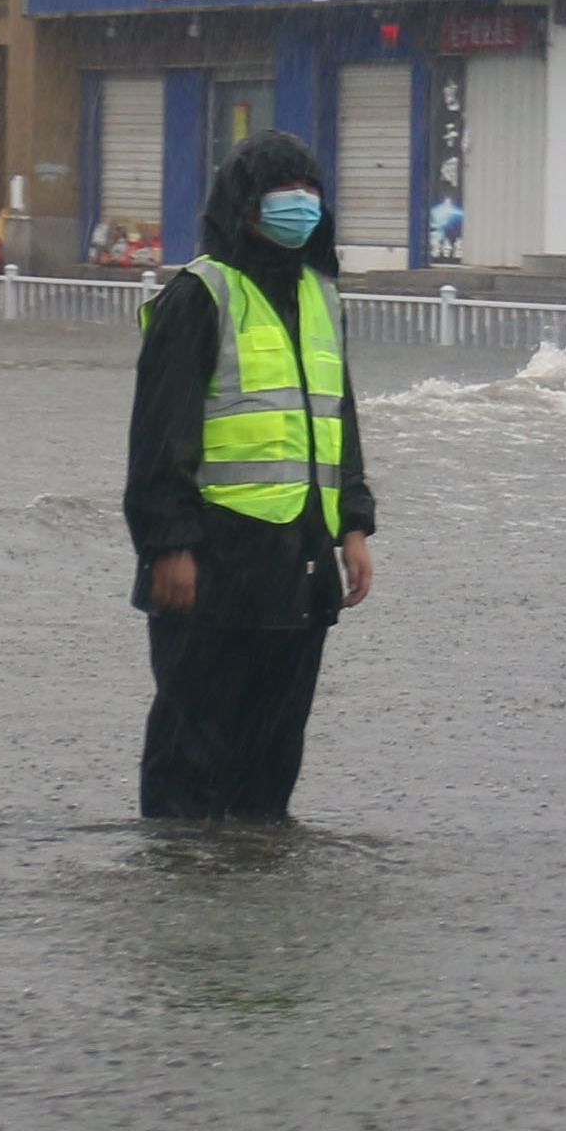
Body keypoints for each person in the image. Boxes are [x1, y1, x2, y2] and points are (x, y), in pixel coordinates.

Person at [124, 129, 377, 820]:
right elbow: (159, 435)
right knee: (192, 752)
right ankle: (182, 897)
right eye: (282, 191)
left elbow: (338, 421)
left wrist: (354, 525)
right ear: (243, 205)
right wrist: (169, 544)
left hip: (299, 564)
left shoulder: (323, 297)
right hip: (212, 566)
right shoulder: (200, 296)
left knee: (272, 760)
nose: (300, 204)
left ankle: (258, 891)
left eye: (310, 191)